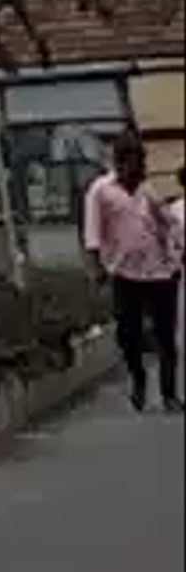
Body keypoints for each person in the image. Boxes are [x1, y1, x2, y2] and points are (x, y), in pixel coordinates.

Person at [78, 136, 182, 408]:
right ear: (120, 163)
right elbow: (92, 232)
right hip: (124, 273)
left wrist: (175, 248)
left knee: (165, 335)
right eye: (132, 163)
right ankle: (138, 377)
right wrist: (97, 267)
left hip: (160, 272)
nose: (137, 169)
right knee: (128, 335)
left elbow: (169, 222)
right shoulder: (101, 190)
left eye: (141, 163)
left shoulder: (147, 190)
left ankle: (169, 394)